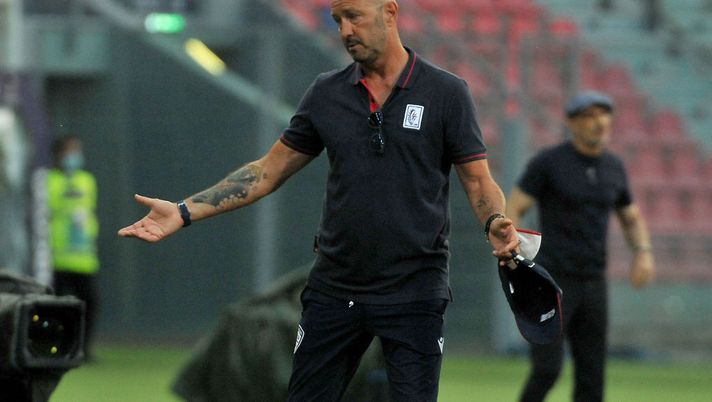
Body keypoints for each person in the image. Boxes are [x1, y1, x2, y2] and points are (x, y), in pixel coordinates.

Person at [119, 0, 519, 400]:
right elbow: (267, 171)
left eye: (354, 17)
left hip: (414, 288)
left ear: (390, 13)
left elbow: (478, 181)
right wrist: (184, 211)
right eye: (337, 20)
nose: (345, 30)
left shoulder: (446, 92)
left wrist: (495, 220)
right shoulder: (327, 93)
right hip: (336, 286)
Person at [506, 90, 656, 402]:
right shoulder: (549, 163)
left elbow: (631, 217)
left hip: (593, 283)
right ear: (572, 122)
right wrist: (512, 250)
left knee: (592, 376)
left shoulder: (613, 167)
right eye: (588, 116)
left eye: (602, 114)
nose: (597, 121)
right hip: (552, 282)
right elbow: (515, 206)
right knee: (547, 369)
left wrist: (642, 252)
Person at [48, 134, 100, 360]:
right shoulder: (47, 181)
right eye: (70, 151)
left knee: (89, 304)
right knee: (55, 306)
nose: (74, 157)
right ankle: (55, 347)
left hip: (83, 257)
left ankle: (83, 349)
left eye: (76, 151)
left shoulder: (87, 180)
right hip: (56, 257)